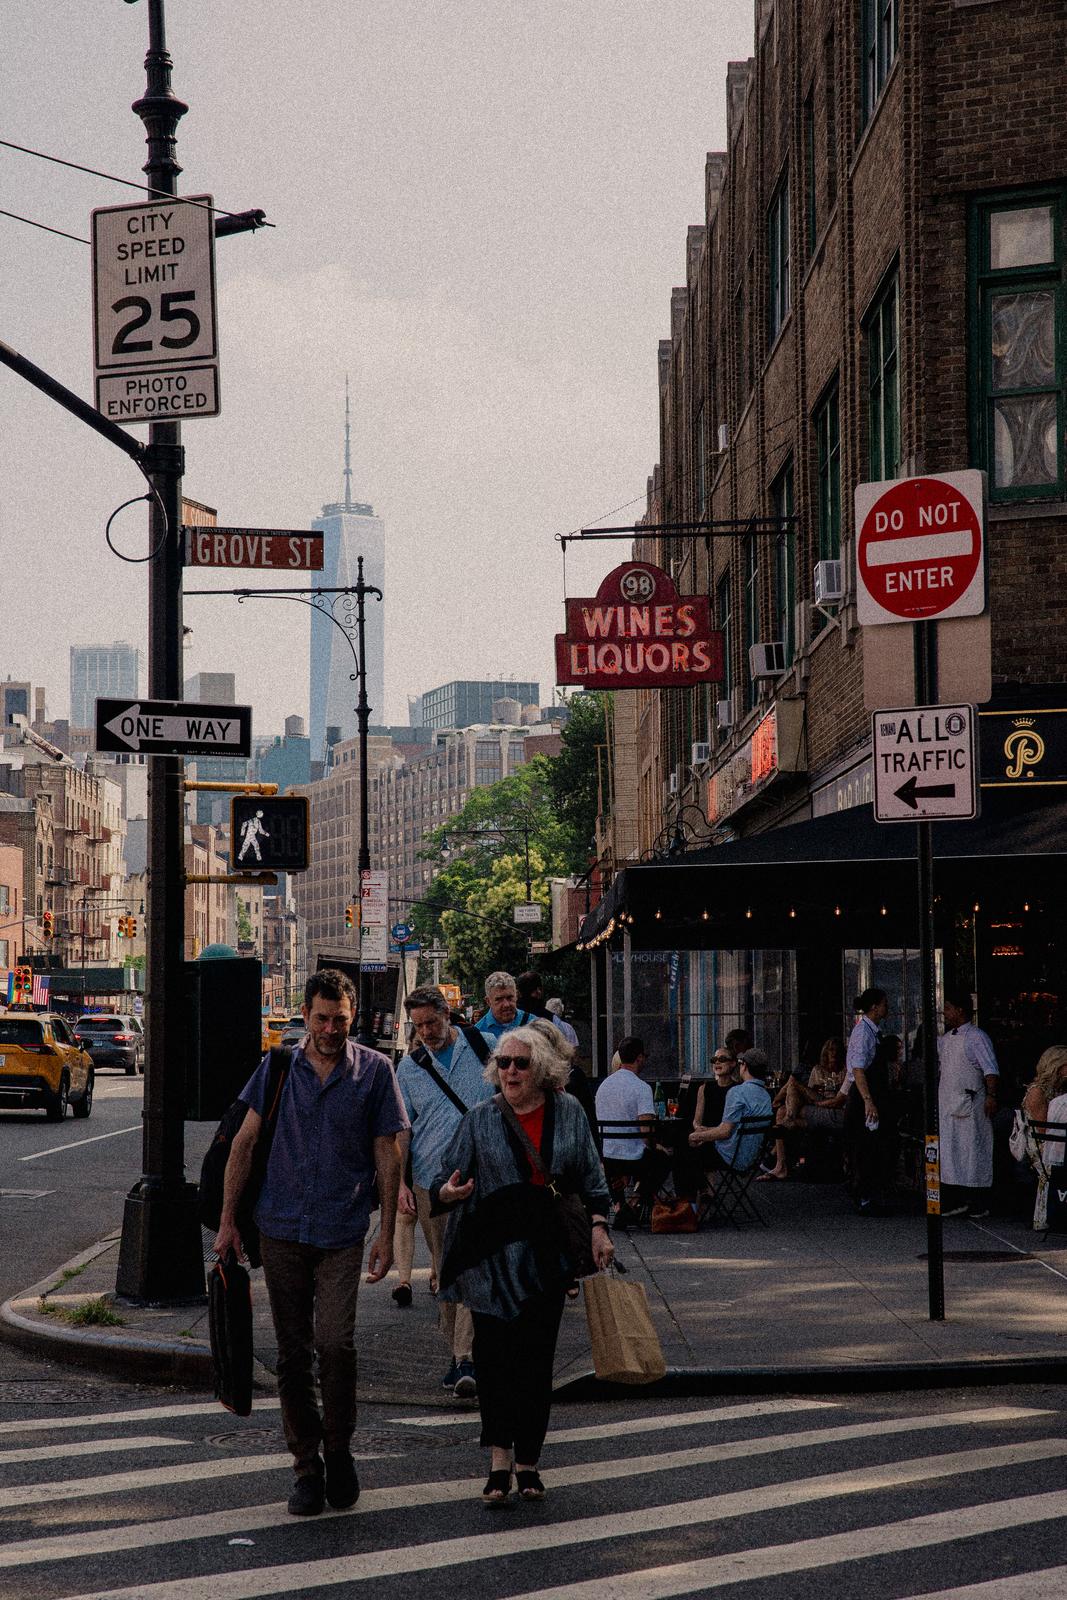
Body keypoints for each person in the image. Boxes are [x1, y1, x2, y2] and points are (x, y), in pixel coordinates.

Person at [213, 968, 406, 1517]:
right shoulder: (277, 1068)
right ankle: (306, 1467)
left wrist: (386, 1232)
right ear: (304, 1015)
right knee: (292, 1355)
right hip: (280, 1230)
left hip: (343, 1229)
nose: (329, 1028)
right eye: (321, 1018)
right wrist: (228, 1222)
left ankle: (340, 1450)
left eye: (340, 1020)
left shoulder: (375, 1072)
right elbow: (244, 1144)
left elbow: (388, 1154)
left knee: (336, 1344)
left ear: (352, 1019)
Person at [432, 1025, 613, 1505]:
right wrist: (448, 1193)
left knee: (535, 1363)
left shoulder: (569, 1112)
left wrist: (598, 1228)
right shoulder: (479, 1118)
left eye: (521, 1063)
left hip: (545, 1256)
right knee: (493, 1364)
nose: (510, 1071)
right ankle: (497, 1464)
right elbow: (443, 1179)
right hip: (489, 1257)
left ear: (543, 1070)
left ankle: (528, 1463)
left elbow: (592, 1178)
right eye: (504, 1063)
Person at [395, 984, 495, 1397]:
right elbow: (403, 1131)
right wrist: (401, 1184)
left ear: (447, 1014)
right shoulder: (410, 1067)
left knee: (474, 1265)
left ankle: (467, 1357)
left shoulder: (484, 1045)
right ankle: (459, 1356)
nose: (427, 1033)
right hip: (431, 1182)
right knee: (447, 1270)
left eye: (432, 1023)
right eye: (418, 1027)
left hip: (485, 1174)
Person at [593, 1035, 668, 1224]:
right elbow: (646, 1130)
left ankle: (618, 1205)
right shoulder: (641, 1087)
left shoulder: (603, 1086)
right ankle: (634, 1202)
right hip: (634, 1159)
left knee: (633, 1158)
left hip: (608, 1157)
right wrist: (655, 1146)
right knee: (662, 1159)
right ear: (640, 1057)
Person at [938, 993, 1000, 1219]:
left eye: (948, 1008)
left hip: (971, 1104)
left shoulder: (977, 1037)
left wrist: (991, 1095)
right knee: (951, 1154)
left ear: (960, 1010)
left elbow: (990, 1069)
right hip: (949, 1105)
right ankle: (956, 1199)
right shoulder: (945, 1039)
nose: (945, 1012)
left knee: (974, 1152)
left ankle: (978, 1201)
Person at [761, 1037, 848, 1181]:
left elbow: (840, 1099)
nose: (834, 1054)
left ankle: (776, 1157)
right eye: (831, 1050)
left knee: (792, 1087)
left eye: (837, 1050)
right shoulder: (818, 1069)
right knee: (783, 1108)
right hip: (818, 1102)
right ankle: (779, 1163)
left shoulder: (846, 1070)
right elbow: (811, 1093)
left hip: (832, 1106)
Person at [687, 1047, 773, 1175]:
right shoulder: (766, 1095)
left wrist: (695, 1135)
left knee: (684, 1151)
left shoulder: (737, 1092)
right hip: (751, 1159)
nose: (717, 1062)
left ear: (743, 1066)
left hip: (729, 1156)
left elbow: (725, 1132)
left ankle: (688, 1195)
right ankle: (704, 1193)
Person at [846, 1032, 902, 1215]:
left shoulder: (871, 1039)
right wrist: (868, 1101)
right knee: (869, 1149)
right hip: (869, 1102)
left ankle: (867, 1192)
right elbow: (858, 1070)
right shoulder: (864, 1037)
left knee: (871, 1148)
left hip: (873, 1102)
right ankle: (865, 1194)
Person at [1019, 1046, 1067, 1228]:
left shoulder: (1059, 1091)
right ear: (1056, 1066)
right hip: (1042, 1147)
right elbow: (1044, 1132)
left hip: (1057, 1142)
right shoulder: (1037, 1092)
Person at [845, 988, 889, 1132]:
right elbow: (858, 1069)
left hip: (875, 1093)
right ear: (874, 1007)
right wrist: (867, 1101)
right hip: (862, 1097)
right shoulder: (863, 1033)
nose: (887, 1007)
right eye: (884, 1004)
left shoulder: (873, 1031)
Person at [516, 971, 580, 1048]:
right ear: (539, 991)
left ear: (518, 993)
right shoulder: (553, 1021)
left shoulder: (507, 1018)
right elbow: (569, 1050)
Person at [474, 971, 535, 1042]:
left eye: (510, 997)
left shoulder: (534, 1025)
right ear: (488, 1001)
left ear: (517, 996)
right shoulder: (477, 1034)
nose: (506, 1005)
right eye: (499, 999)